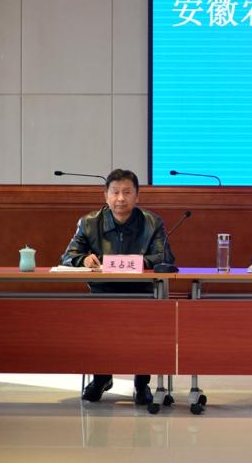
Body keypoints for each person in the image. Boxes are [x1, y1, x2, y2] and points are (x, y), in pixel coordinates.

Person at [60, 168, 173, 405]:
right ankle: (101, 378)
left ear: (137, 196)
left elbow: (165, 258)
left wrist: (135, 263)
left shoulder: (152, 222)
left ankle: (141, 383)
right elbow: (68, 256)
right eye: (115, 192)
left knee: (145, 328)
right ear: (106, 195)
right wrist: (84, 260)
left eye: (127, 192)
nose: (121, 198)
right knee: (97, 326)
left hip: (142, 292)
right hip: (103, 292)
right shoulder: (89, 222)